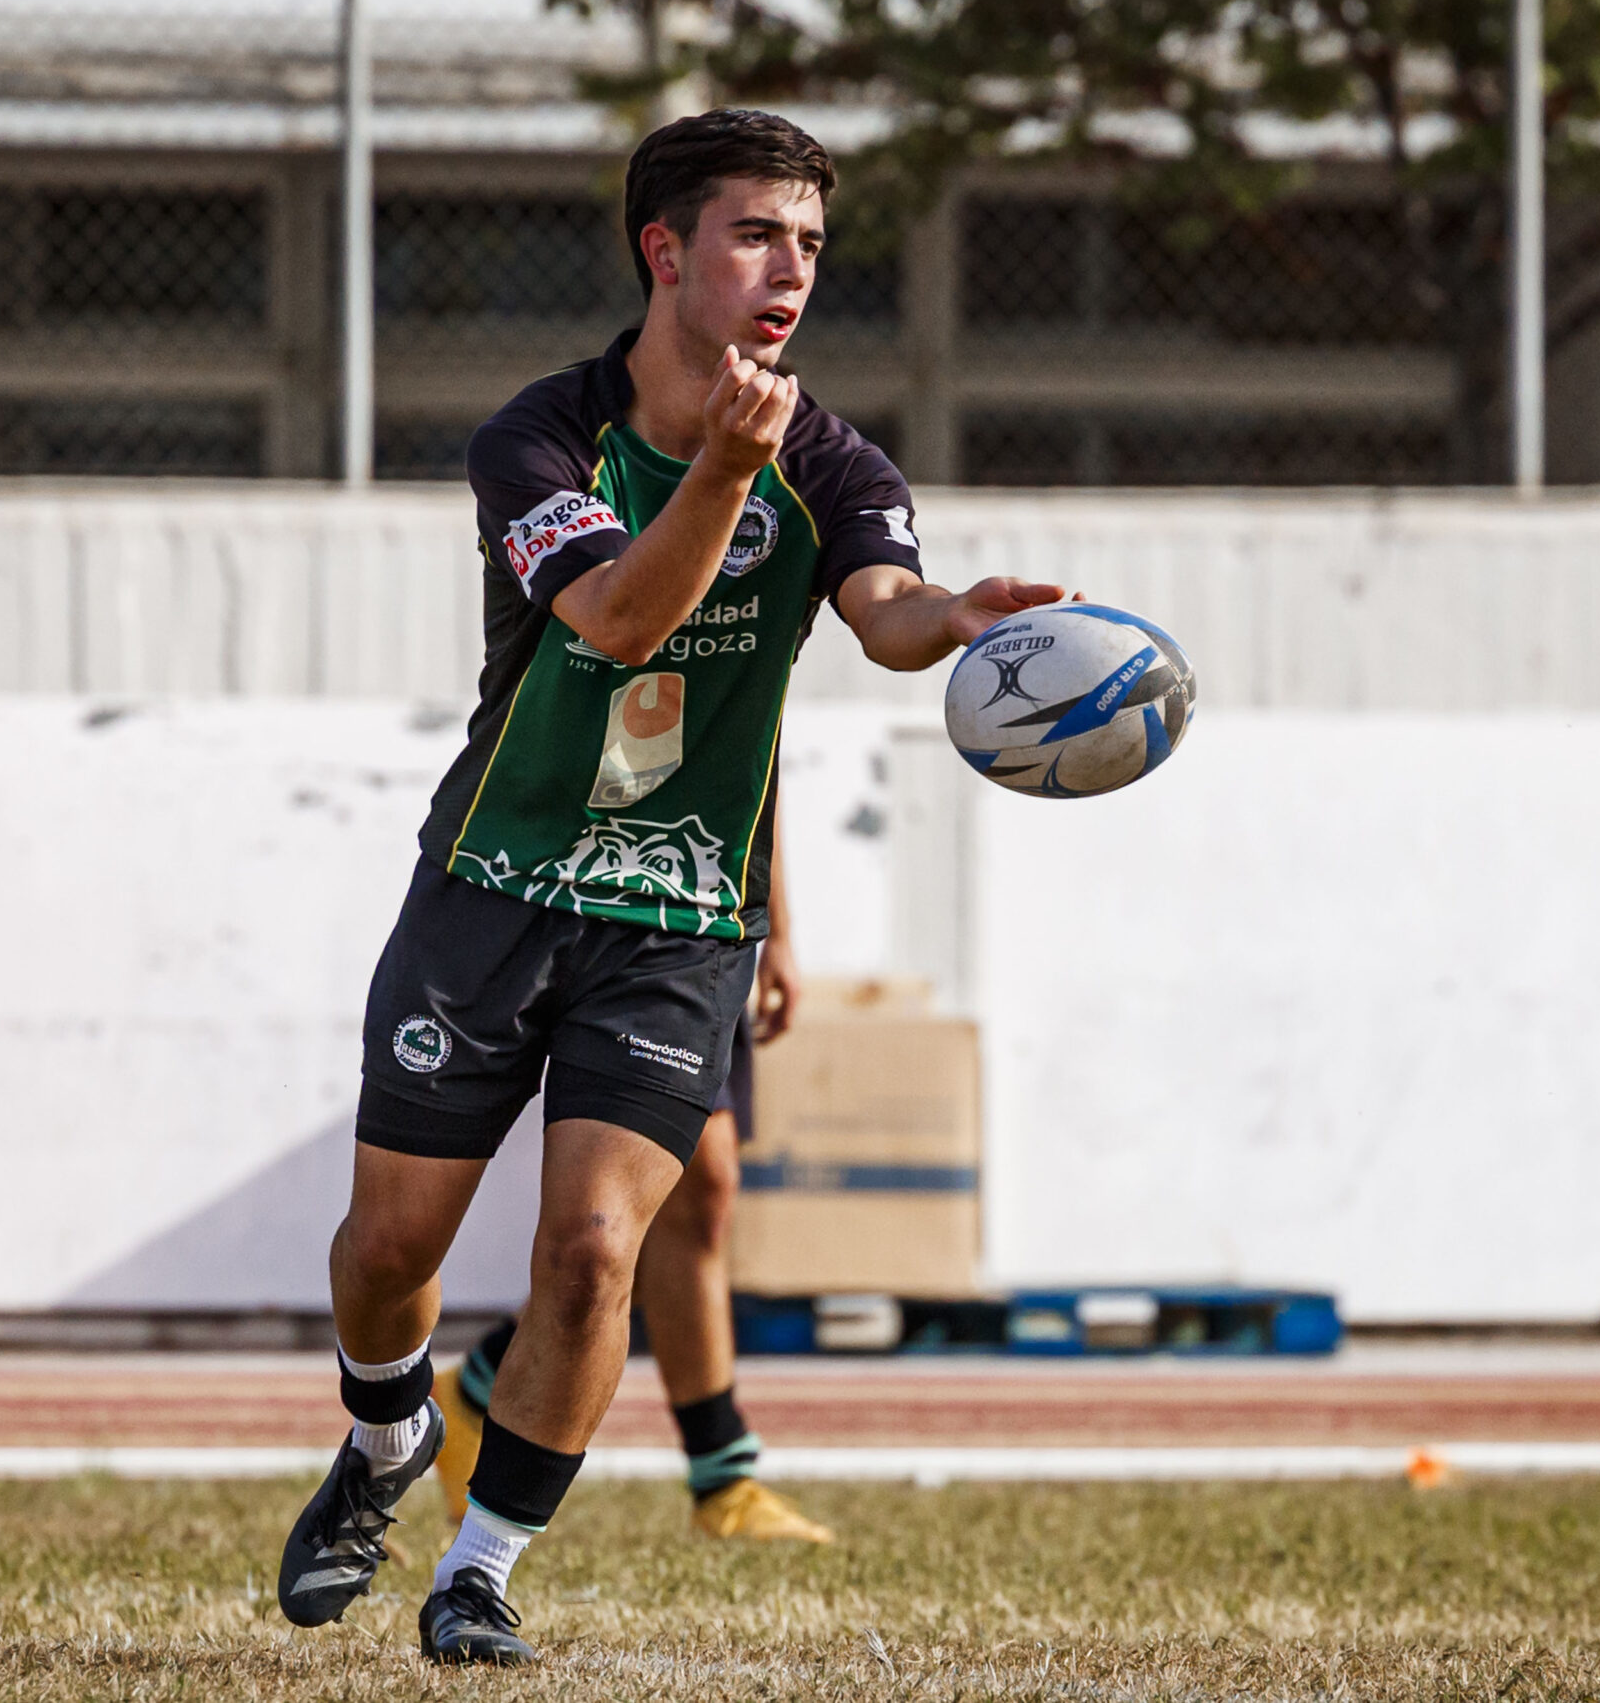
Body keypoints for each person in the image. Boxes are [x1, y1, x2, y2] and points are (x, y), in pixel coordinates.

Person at [277, 106, 1066, 1668]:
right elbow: (625, 619)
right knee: (386, 1251)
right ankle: (381, 1440)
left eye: (813, 244)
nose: (792, 271)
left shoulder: (829, 456)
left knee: (591, 1248)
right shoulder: (542, 437)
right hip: (493, 884)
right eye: (758, 234)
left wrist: (960, 621)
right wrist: (719, 469)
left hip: (681, 918)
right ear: (667, 251)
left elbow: (885, 608)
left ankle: (483, 1567)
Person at [433, 815, 834, 1546]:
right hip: (573, 889)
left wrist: (779, 926)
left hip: (696, 910)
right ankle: (717, 1472)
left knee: (697, 1191)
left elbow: (760, 757)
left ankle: (719, 1476)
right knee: (639, 1207)